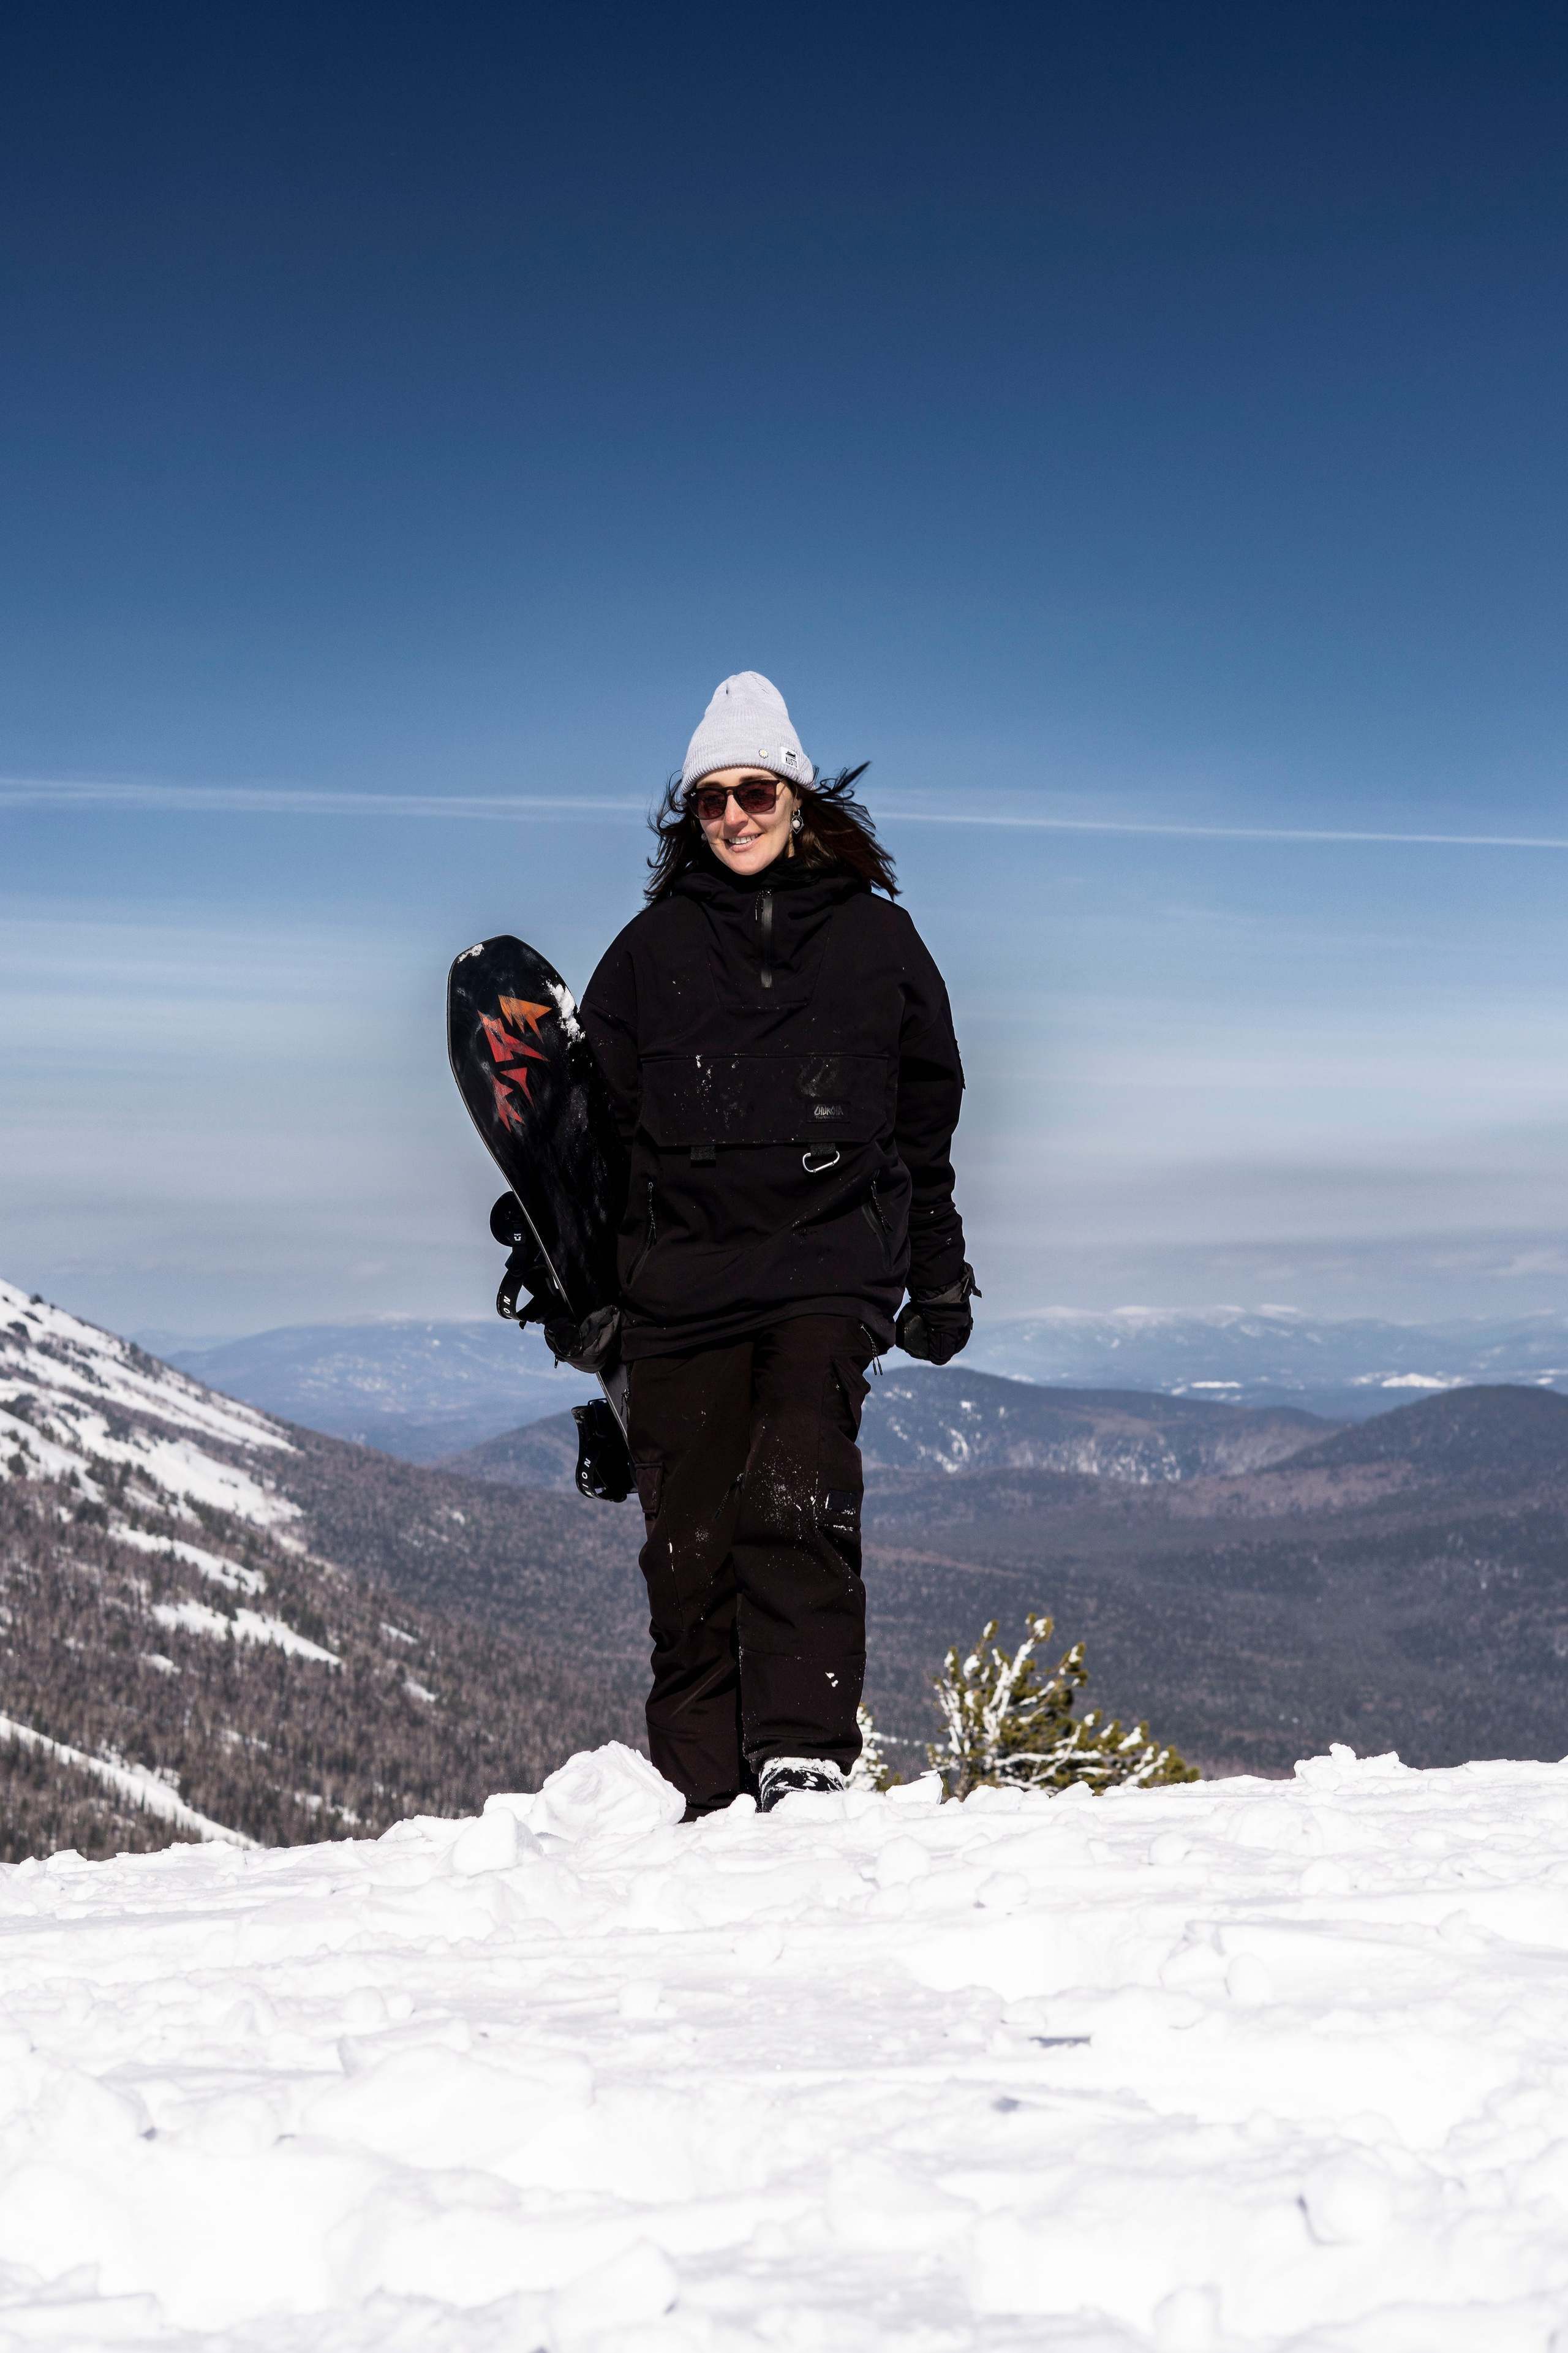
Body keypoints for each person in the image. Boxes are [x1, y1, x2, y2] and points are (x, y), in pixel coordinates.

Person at [580, 672, 976, 1819]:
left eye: (756, 791)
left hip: (826, 1268)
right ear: (690, 818)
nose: (737, 816)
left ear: (799, 797)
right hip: (681, 1285)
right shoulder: (648, 953)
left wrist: (940, 1268)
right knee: (689, 1548)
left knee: (795, 1502)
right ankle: (699, 1786)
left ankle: (802, 1766)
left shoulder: (879, 943)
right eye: (712, 801)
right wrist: (582, 1299)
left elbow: (925, 1120)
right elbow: (594, 1139)